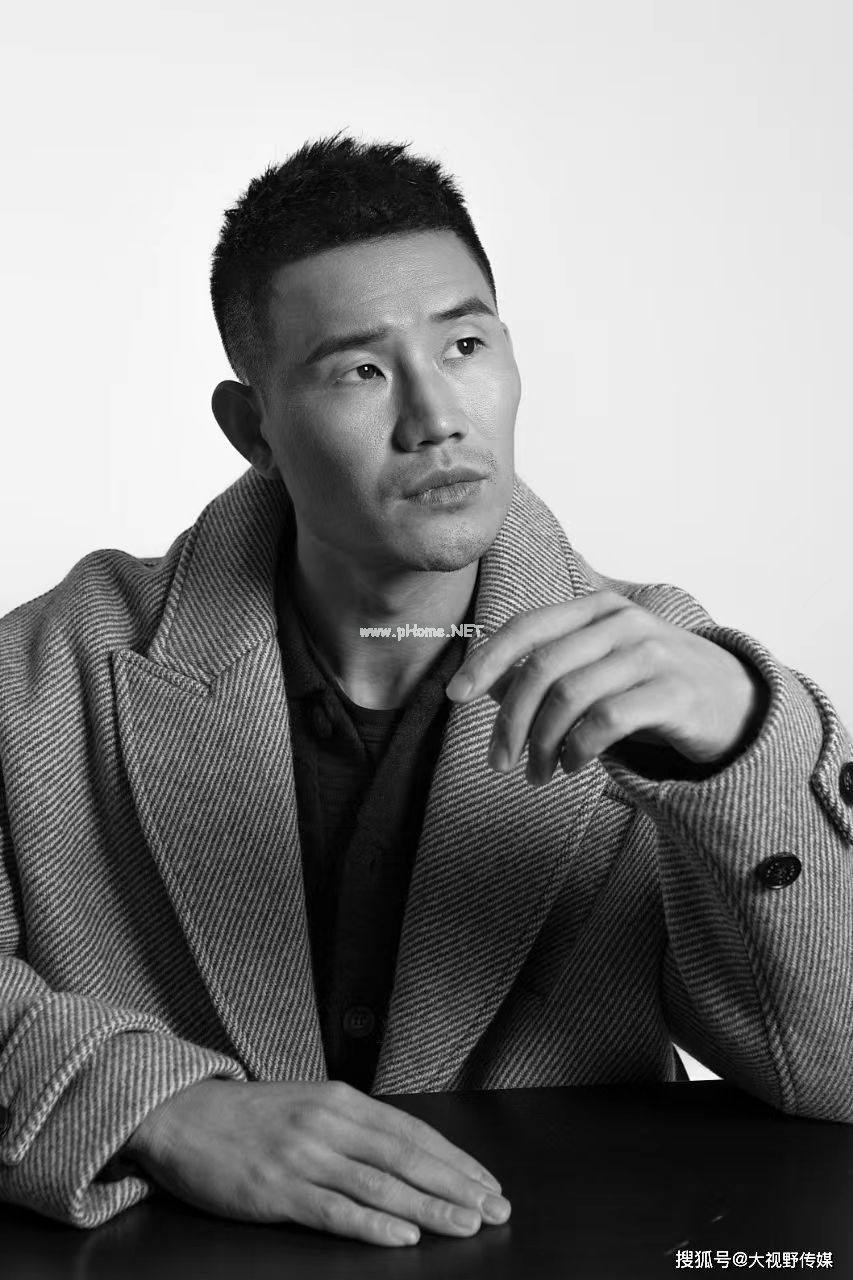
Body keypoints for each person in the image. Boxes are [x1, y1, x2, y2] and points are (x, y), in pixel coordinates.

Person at [1, 134, 851, 1247]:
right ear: (253, 428)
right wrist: (155, 1108)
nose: (436, 415)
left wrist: (748, 753)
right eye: (359, 370)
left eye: (464, 343)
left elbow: (833, 1073)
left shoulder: (665, 677)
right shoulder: (54, 663)